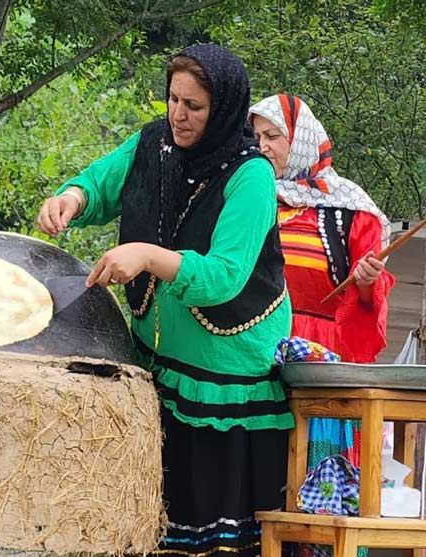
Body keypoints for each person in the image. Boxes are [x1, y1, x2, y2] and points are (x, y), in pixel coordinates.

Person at [37, 44, 293, 557]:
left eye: (194, 106)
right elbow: (100, 185)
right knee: (147, 529)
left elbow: (225, 276)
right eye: (173, 100)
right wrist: (71, 198)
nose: (178, 115)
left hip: (227, 377)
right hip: (158, 363)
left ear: (222, 109)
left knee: (213, 539)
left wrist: (149, 256)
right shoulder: (154, 143)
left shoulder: (252, 176)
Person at [249, 94, 395, 471]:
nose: (262, 146)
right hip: (257, 351)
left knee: (315, 469)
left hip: (321, 356)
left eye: (273, 136)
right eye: (257, 136)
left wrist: (365, 280)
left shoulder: (352, 208)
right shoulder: (250, 196)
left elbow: (370, 293)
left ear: (299, 140)